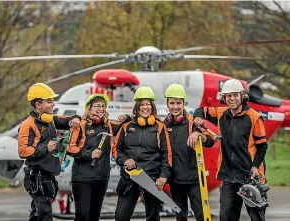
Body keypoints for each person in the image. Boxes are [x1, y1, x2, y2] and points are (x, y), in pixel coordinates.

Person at [193, 79, 268, 221]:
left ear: (242, 96)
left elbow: (262, 146)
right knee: (226, 217)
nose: (232, 99)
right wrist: (198, 118)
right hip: (229, 177)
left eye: (235, 95)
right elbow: (200, 110)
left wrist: (255, 167)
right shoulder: (221, 113)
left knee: (256, 217)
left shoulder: (254, 117)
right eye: (228, 96)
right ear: (224, 98)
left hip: (250, 176)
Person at [18, 83, 81, 221]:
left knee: (37, 214)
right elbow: (23, 151)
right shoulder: (27, 125)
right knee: (45, 215)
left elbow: (67, 120)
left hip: (48, 176)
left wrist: (75, 118)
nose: (53, 104)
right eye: (50, 101)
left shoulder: (50, 120)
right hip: (36, 177)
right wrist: (45, 148)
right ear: (38, 105)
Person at [112, 86, 172, 221]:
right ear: (137, 107)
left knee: (153, 218)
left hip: (152, 179)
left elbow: (166, 154)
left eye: (148, 104)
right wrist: (124, 160)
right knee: (120, 217)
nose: (145, 107)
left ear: (152, 107)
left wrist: (163, 176)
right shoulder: (126, 126)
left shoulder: (160, 127)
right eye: (142, 104)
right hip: (129, 178)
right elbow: (116, 149)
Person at [66, 93, 128, 221]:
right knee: (82, 216)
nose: (101, 108)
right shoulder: (80, 125)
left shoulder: (108, 125)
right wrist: (89, 154)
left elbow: (125, 124)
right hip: (82, 178)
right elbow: (70, 148)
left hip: (101, 178)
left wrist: (126, 116)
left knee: (95, 216)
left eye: (103, 106)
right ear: (89, 108)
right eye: (97, 106)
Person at [163, 84, 215, 221]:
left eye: (178, 103)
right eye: (172, 103)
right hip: (174, 180)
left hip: (194, 179)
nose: (175, 106)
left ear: (184, 103)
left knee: (202, 216)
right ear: (167, 104)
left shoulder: (193, 122)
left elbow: (210, 141)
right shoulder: (163, 125)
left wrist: (198, 134)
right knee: (180, 217)